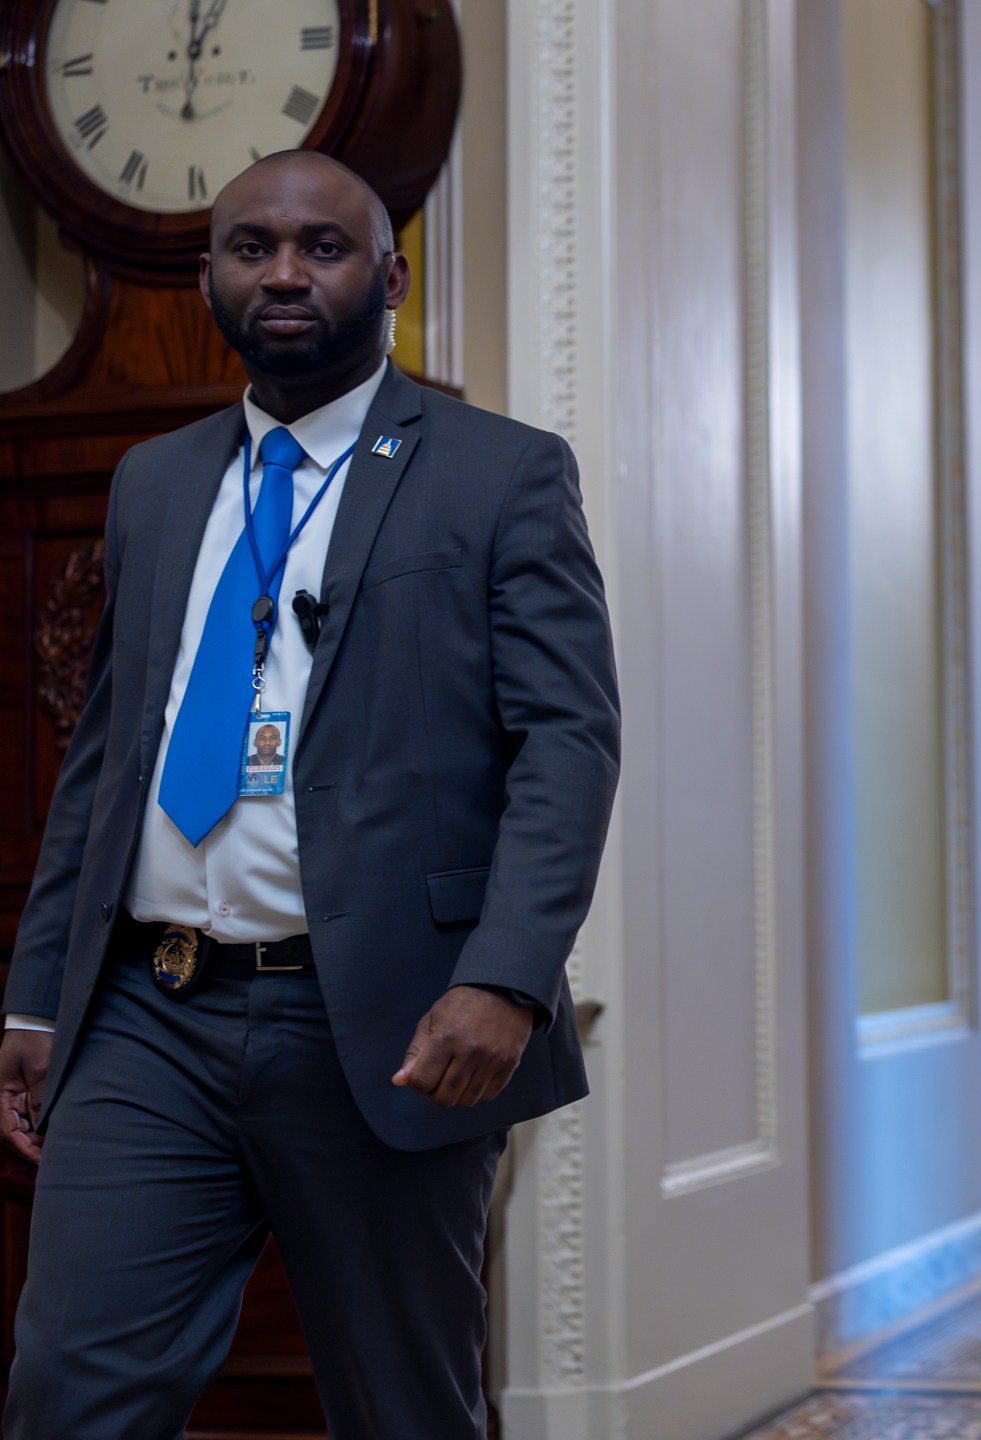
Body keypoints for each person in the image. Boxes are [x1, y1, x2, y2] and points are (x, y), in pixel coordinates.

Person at [0, 152, 619, 1437]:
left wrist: (504, 977)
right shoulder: (155, 482)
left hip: (387, 1026)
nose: (285, 271)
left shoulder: (499, 472)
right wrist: (37, 991)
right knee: (69, 1393)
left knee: (405, 1408)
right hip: (146, 1016)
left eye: (323, 248)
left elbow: (568, 741)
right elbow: (110, 755)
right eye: (252, 247)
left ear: (389, 279)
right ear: (214, 273)